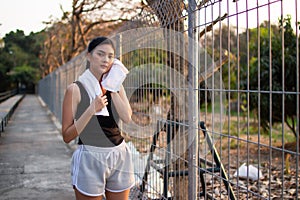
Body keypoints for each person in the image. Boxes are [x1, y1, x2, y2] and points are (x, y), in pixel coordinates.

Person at [62, 36, 134, 200]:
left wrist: (113, 88)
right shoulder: (75, 89)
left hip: (119, 154)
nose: (106, 60)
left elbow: (127, 117)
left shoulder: (116, 86)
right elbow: (67, 136)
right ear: (89, 56)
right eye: (100, 54)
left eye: (110, 56)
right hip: (90, 156)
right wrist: (91, 110)